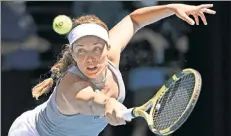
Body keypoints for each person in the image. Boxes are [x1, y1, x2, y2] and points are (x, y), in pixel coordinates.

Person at [8, 3, 215, 136]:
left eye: (97, 48)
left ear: (108, 48)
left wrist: (171, 8)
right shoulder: (71, 87)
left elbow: (134, 20)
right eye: (81, 50)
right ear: (72, 53)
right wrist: (109, 105)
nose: (90, 57)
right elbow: (92, 101)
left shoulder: (112, 54)